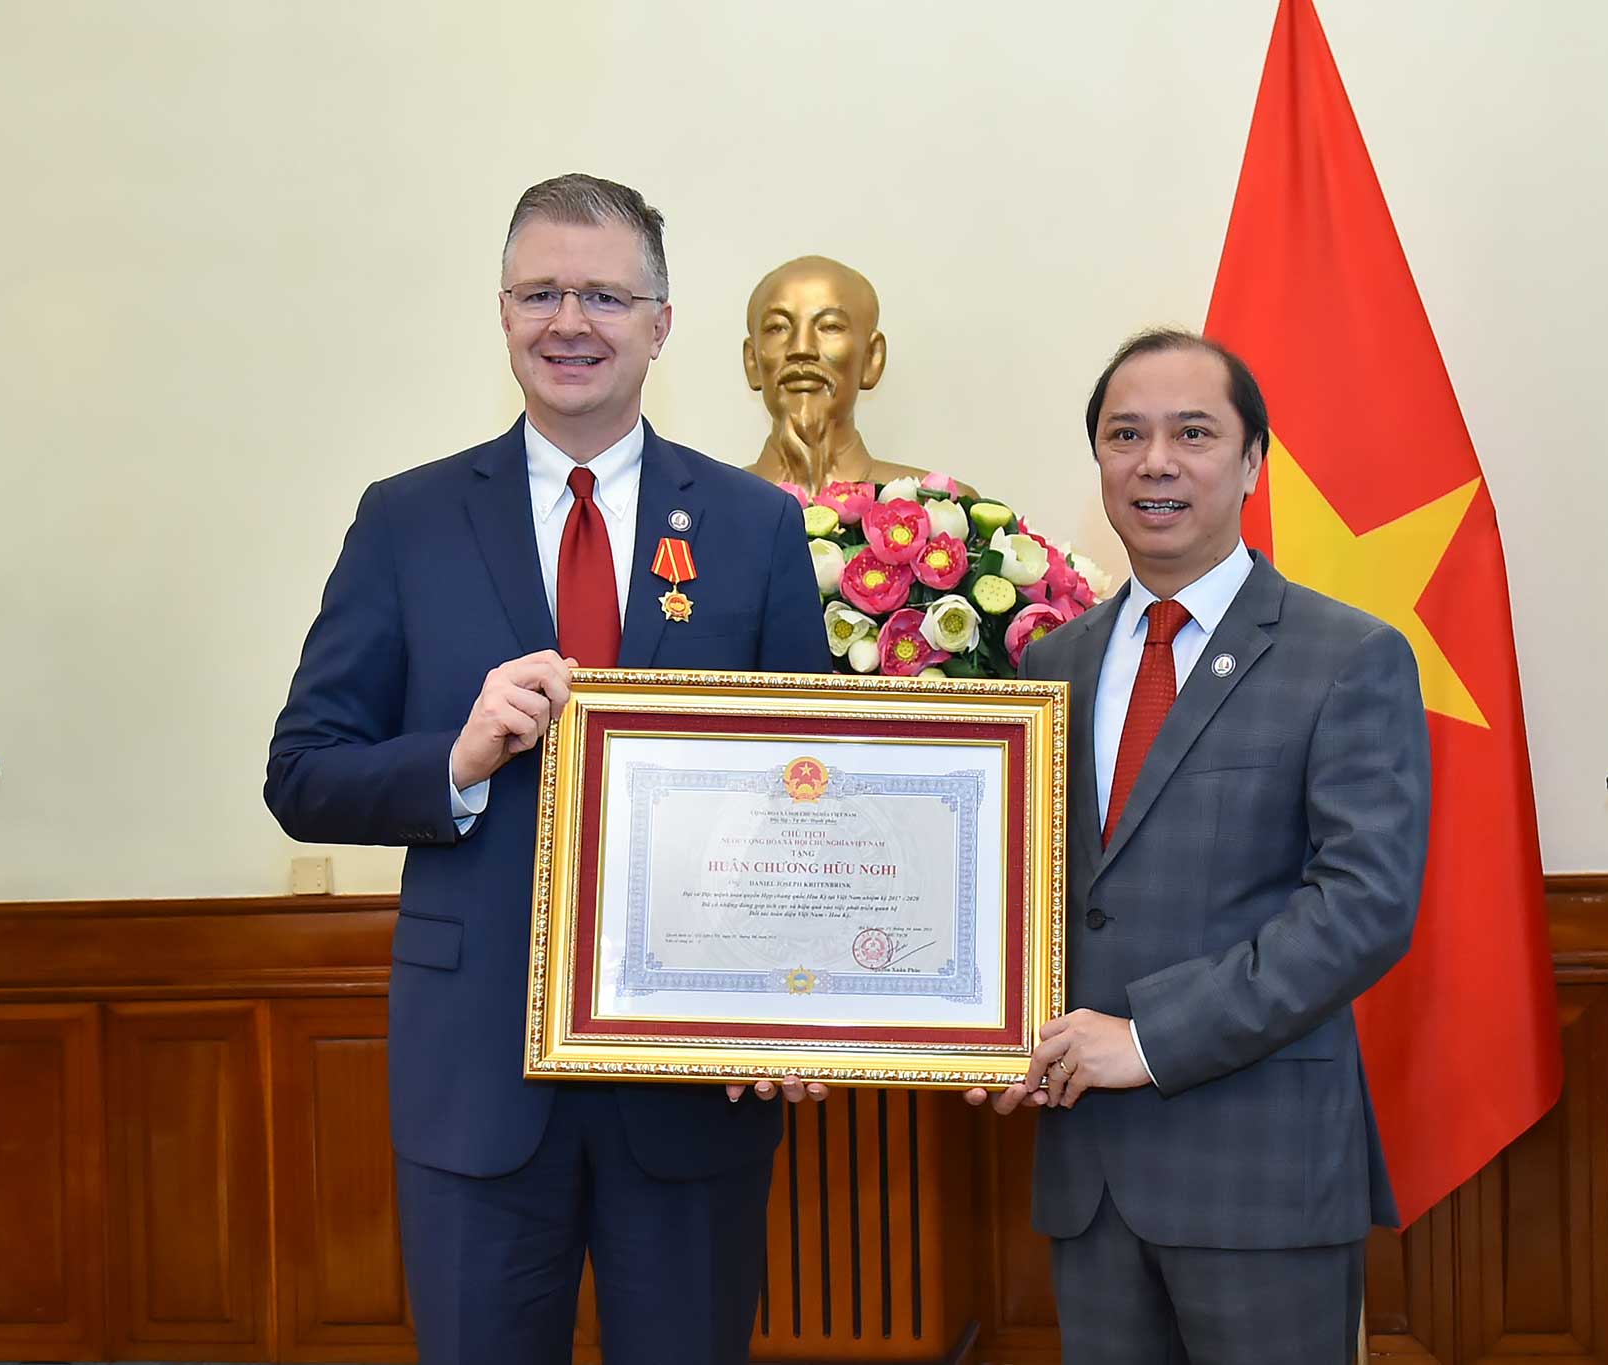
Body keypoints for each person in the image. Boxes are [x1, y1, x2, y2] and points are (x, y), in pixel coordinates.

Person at [265, 173, 830, 1365]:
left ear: (660, 325)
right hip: (476, 1076)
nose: (569, 322)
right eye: (539, 293)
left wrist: (801, 1006)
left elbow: (809, 786)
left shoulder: (753, 525)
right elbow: (303, 774)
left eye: (604, 297)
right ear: (503, 313)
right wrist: (457, 759)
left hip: (693, 1078)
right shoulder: (405, 521)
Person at [969, 328, 1431, 1364]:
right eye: (1124, 435)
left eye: (1192, 434)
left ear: (1252, 461)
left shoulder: (1347, 656)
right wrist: (984, 1031)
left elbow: (1362, 907)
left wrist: (1147, 1039)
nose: (1155, 463)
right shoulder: (1050, 666)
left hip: (1259, 1176)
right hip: (1088, 1177)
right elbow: (1023, 894)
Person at [741, 254, 971, 494]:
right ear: (752, 361)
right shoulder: (717, 506)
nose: (801, 348)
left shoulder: (943, 505)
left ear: (871, 358)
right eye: (778, 328)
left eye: (830, 327)